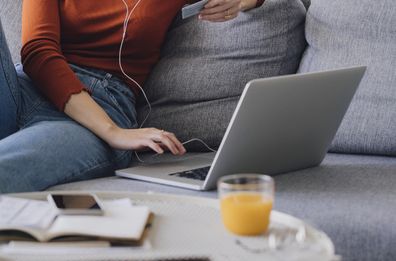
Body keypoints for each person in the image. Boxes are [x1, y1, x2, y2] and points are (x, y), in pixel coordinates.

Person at [0, 0, 264, 193]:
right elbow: (38, 52)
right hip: (24, 87)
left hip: (99, 108)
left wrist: (244, 2)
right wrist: (113, 132)